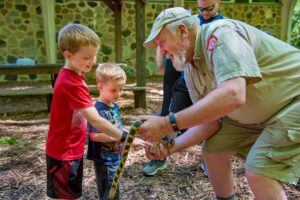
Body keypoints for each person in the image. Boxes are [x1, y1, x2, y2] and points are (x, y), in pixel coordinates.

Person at [139, 7, 300, 200]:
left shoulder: (222, 34)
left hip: (292, 103)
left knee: (259, 171)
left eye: (162, 42)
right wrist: (169, 148)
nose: (162, 52)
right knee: (213, 150)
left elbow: (234, 94)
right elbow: (211, 122)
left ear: (183, 31)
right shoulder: (191, 69)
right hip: (261, 114)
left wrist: (167, 123)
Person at [143, 0, 224, 177]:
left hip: (208, 81)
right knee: (170, 111)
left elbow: (228, 100)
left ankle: (209, 158)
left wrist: (167, 124)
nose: (205, 13)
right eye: (201, 9)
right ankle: (162, 154)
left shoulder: (221, 31)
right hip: (184, 76)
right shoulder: (189, 23)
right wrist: (168, 144)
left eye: (209, 8)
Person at [45, 23, 127, 199]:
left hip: (70, 150)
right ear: (68, 55)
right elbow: (96, 120)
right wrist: (124, 137)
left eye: (95, 55)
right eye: (87, 57)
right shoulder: (71, 83)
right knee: (67, 196)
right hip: (63, 153)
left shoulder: (74, 76)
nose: (93, 61)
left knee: (70, 194)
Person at [87, 63, 149, 200]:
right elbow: (93, 136)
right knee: (109, 193)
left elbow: (117, 129)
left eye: (121, 89)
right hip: (104, 160)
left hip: (114, 157)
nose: (119, 94)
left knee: (113, 190)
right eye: (114, 90)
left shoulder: (113, 106)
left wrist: (130, 136)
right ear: (100, 87)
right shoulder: (97, 110)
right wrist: (118, 137)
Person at [142, 47, 193, 176]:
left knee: (179, 106)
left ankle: (209, 156)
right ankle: (160, 155)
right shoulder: (165, 48)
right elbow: (161, 40)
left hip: (190, 61)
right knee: (167, 107)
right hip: (172, 59)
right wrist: (162, 60)